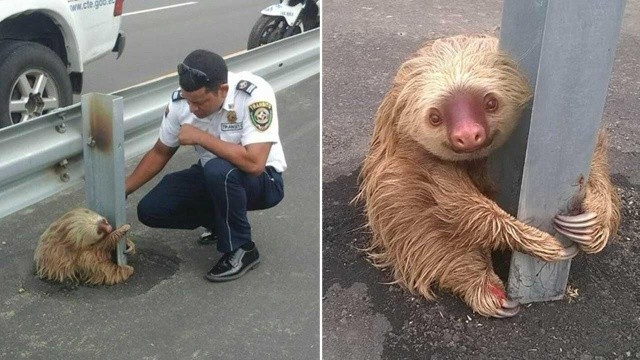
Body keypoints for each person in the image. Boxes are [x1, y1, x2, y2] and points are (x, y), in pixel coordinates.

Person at [125, 49, 286, 282]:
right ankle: (219, 223)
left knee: (219, 170)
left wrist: (201, 137)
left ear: (222, 90)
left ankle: (242, 248)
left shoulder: (253, 94)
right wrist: (125, 188)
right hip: (214, 177)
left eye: (200, 103)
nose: (192, 109)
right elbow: (160, 152)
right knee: (151, 209)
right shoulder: (181, 104)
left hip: (263, 182)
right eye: (189, 100)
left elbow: (254, 164)